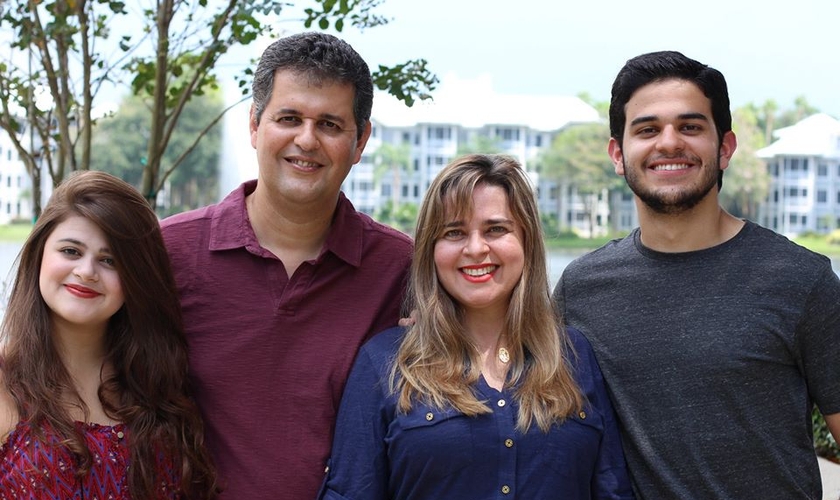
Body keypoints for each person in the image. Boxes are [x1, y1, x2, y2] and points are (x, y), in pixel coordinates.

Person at [553, 50, 840, 499]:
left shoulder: (802, 280)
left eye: (690, 127)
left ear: (724, 148)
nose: (668, 143)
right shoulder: (580, 289)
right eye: (647, 129)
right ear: (617, 152)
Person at [160, 32, 412, 499]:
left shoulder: (404, 269)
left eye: (331, 125)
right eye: (289, 118)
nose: (306, 140)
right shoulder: (168, 253)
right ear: (255, 125)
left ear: (360, 140)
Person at [320, 154, 634, 499]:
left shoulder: (574, 355)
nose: (475, 248)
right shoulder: (384, 363)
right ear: (431, 250)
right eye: (454, 232)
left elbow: (611, 488)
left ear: (526, 239)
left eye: (496, 229)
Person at [0, 171, 218, 499]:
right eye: (71, 251)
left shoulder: (159, 387)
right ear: (39, 255)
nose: (86, 272)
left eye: (109, 260)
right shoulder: (5, 384)